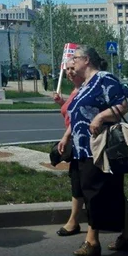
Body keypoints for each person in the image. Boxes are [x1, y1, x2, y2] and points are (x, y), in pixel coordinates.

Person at [56, 45, 128, 256]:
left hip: (100, 148)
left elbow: (122, 105)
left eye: (75, 58)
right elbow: (78, 114)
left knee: (94, 193)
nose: (72, 62)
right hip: (83, 148)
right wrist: (66, 137)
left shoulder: (104, 79)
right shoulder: (84, 85)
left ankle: (92, 242)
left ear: (87, 60)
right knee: (107, 193)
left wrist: (100, 117)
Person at [52, 58, 85, 236]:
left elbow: (80, 116)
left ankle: (126, 217)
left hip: (85, 142)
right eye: (67, 69)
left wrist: (66, 136)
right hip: (77, 141)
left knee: (93, 184)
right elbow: (70, 111)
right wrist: (61, 103)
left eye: (73, 68)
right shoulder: (76, 90)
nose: (69, 72)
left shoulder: (86, 89)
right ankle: (73, 221)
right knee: (78, 181)